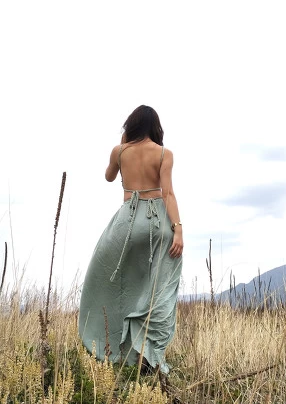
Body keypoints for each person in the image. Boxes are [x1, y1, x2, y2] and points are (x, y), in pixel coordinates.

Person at [78, 105, 183, 375]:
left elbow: (108, 176)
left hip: (127, 223)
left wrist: (123, 143)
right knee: (159, 290)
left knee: (116, 283)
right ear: (155, 127)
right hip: (158, 223)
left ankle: (112, 348)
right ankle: (149, 356)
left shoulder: (119, 151)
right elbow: (168, 194)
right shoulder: (164, 154)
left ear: (131, 126)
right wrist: (178, 229)